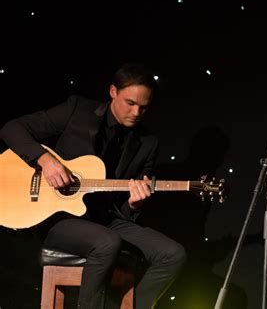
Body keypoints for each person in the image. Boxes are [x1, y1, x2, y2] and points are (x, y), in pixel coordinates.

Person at [0, 62, 186, 308]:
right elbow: (11, 129)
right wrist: (46, 161)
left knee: (173, 254)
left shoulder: (148, 143)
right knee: (107, 241)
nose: (136, 113)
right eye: (130, 103)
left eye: (144, 107)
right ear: (113, 92)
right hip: (59, 218)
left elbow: (128, 211)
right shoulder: (77, 110)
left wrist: (134, 202)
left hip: (107, 219)